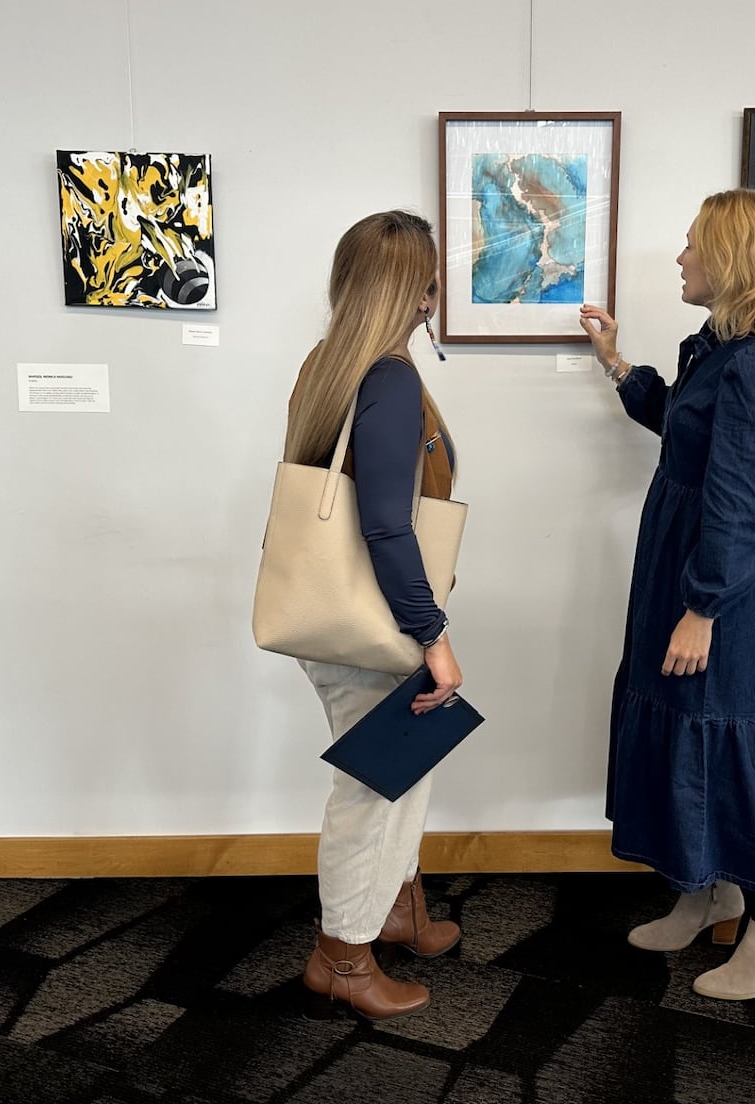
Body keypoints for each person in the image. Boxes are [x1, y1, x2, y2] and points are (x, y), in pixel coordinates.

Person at [579, 188, 755, 1001]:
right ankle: (706, 887)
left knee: (725, 734)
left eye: (690, 246)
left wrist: (704, 606)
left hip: (721, 581)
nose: (679, 258)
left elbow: (744, 502)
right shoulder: (713, 347)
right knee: (683, 720)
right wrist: (615, 361)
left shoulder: (754, 365)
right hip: (679, 564)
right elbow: (681, 425)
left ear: (731, 260)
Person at [284, 210, 464, 1021]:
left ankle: (389, 911)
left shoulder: (328, 363)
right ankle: (341, 959)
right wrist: (435, 637)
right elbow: (387, 525)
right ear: (418, 289)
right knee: (375, 791)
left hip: (336, 613)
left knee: (398, 774)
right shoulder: (387, 379)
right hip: (379, 621)